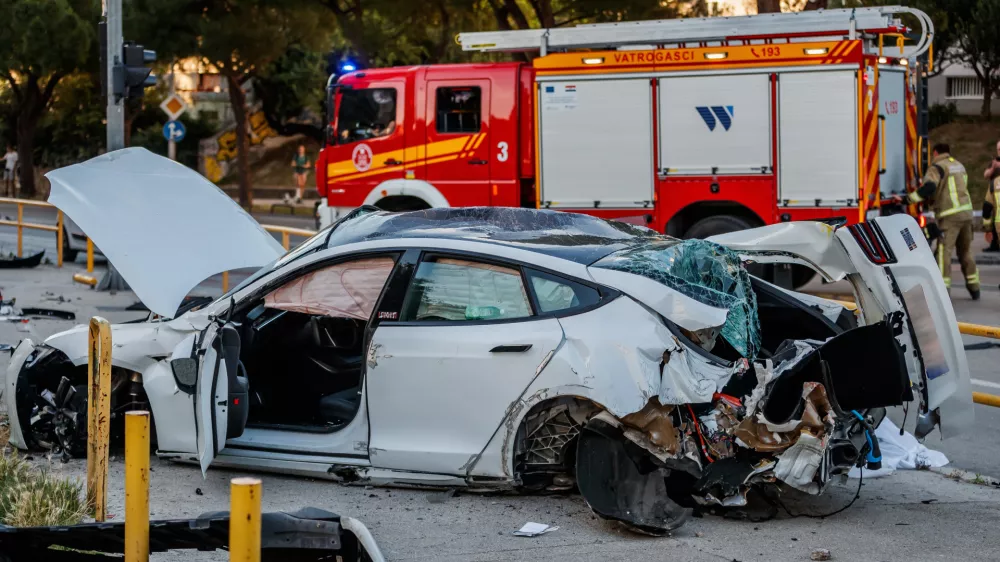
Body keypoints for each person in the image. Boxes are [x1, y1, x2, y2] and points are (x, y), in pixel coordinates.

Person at [908, 143, 979, 299]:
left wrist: (909, 199)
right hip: (967, 214)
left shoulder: (937, 167)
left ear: (935, 153)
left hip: (949, 216)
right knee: (966, 251)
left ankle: (943, 291)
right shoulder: (959, 165)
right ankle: (974, 288)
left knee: (943, 253)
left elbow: (929, 187)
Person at [982, 140, 1000, 252]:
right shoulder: (994, 162)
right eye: (998, 149)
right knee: (994, 219)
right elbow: (986, 175)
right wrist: (993, 168)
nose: (999, 151)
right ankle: (994, 244)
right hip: (994, 193)